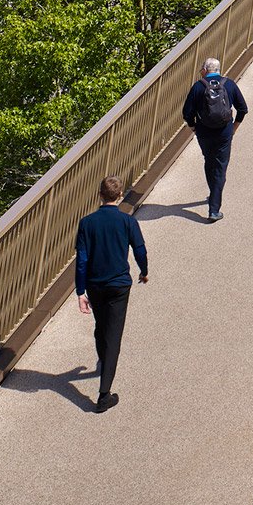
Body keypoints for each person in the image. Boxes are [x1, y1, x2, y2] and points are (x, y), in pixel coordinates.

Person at [75, 174, 149, 413]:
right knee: (113, 335)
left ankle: (103, 360)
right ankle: (104, 395)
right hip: (119, 285)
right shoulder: (127, 222)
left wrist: (80, 291)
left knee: (101, 326)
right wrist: (144, 271)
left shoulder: (87, 223)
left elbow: (82, 260)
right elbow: (139, 249)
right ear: (120, 196)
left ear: (100, 195)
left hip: (95, 285)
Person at [181, 55, 249, 224]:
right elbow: (243, 108)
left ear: (205, 70)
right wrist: (234, 128)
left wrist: (194, 127)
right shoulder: (229, 84)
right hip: (224, 133)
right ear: (218, 69)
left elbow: (187, 113)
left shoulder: (198, 87)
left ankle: (214, 194)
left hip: (204, 133)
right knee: (220, 167)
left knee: (209, 161)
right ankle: (214, 209)